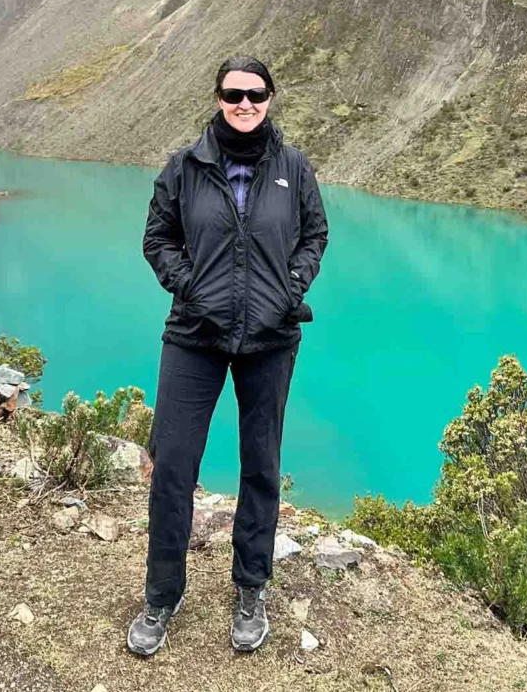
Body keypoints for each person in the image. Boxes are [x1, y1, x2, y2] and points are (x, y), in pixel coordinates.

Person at [126, 56, 330, 658]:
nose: (245, 104)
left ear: (271, 98)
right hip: (194, 335)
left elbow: (315, 235)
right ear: (217, 97)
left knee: (261, 466)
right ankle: (163, 594)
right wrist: (190, 287)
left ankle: (251, 588)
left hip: (271, 338)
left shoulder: (294, 168)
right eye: (234, 94)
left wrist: (291, 287)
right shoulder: (184, 168)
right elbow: (157, 238)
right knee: (173, 467)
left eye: (256, 94)